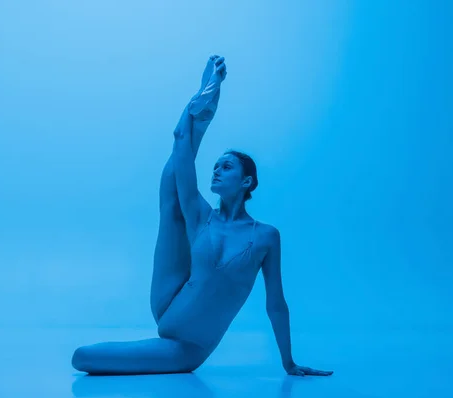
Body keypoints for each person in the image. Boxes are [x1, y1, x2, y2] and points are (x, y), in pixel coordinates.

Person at [71, 55, 333, 377]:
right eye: (215, 167)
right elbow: (180, 146)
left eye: (226, 167)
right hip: (169, 301)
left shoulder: (266, 236)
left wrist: (288, 362)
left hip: (188, 349)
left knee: (82, 358)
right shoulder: (202, 217)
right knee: (172, 199)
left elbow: (275, 303)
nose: (216, 172)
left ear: (247, 181)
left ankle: (200, 112)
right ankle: (202, 111)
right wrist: (205, 92)